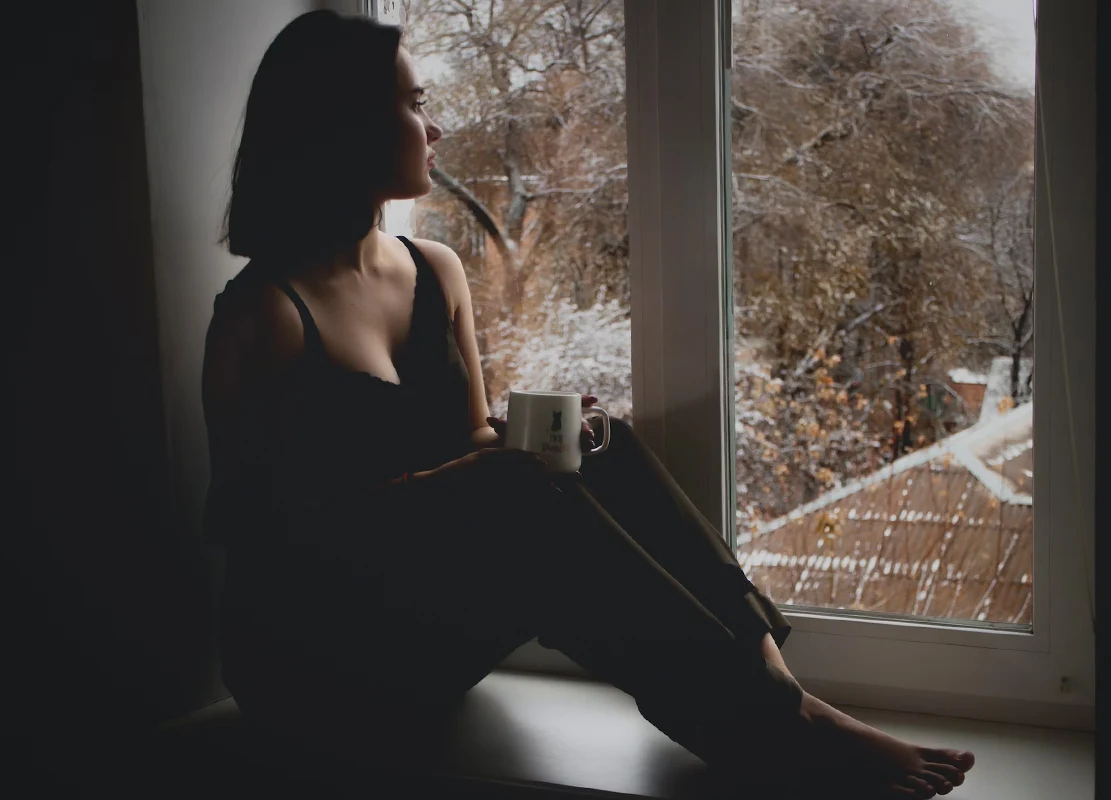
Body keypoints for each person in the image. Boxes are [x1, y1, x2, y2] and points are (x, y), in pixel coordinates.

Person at [201, 10, 975, 798]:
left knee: (603, 443)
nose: (433, 125)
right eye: (413, 102)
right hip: (316, 667)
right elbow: (266, 538)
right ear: (344, 126)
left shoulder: (433, 271)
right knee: (525, 494)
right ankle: (781, 725)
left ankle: (780, 691)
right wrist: (474, 478)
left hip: (427, 631)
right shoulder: (263, 315)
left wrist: (519, 441)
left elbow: (466, 435)